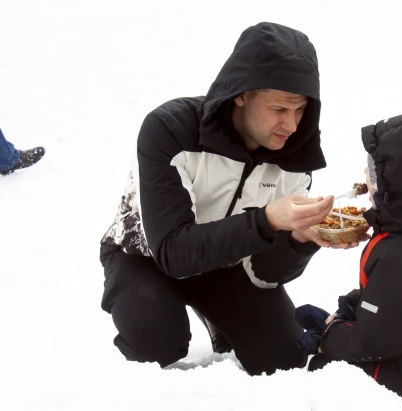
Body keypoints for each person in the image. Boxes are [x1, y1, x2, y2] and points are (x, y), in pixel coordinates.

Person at [99, 22, 365, 375]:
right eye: (279, 110)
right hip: (147, 258)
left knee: (285, 358)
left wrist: (299, 241)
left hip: (229, 268)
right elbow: (173, 253)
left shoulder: (294, 161)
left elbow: (265, 273)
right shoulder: (169, 130)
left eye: (300, 111)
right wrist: (267, 220)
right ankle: (133, 367)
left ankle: (218, 317)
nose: (291, 125)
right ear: (241, 93)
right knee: (155, 340)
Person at [295, 112, 402, 404]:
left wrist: (329, 338)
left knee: (322, 371)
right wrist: (352, 306)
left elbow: (374, 342)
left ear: (395, 184)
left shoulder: (399, 255)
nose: (366, 178)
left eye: (374, 172)